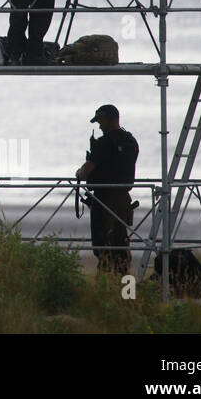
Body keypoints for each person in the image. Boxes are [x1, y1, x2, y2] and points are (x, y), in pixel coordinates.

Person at [76, 104, 139, 275]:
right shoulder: (131, 141)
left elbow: (86, 170)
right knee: (121, 245)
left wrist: (79, 173)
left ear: (108, 119)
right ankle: (127, 293)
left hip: (104, 199)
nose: (100, 126)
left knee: (103, 247)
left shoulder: (104, 143)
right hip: (124, 199)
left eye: (101, 121)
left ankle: (104, 288)